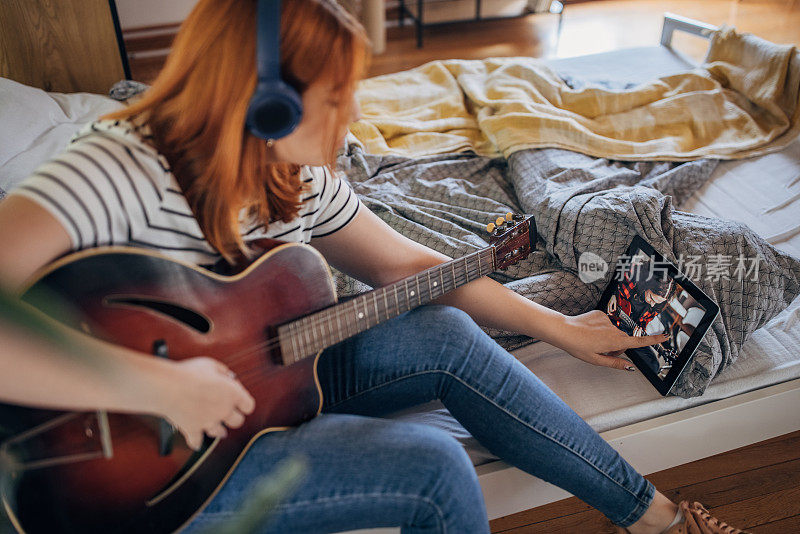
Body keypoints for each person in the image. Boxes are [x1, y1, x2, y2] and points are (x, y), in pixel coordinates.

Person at [0, 0, 749, 532]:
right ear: (266, 106)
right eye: (337, 97)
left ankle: (650, 517)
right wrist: (155, 384)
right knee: (432, 469)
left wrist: (558, 327)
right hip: (115, 472)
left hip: (262, 388)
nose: (354, 115)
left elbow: (405, 266)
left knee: (444, 333)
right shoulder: (119, 167)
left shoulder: (297, 178)